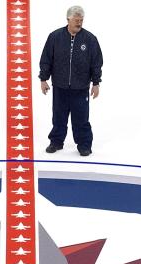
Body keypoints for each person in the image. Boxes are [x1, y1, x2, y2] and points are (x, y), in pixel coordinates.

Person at [39, 5, 103, 157]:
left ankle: (84, 145)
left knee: (81, 119)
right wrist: (43, 79)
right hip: (60, 86)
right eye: (76, 20)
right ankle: (56, 142)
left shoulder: (90, 39)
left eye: (81, 20)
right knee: (58, 116)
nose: (79, 23)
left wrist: (96, 83)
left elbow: (96, 62)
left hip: (80, 88)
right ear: (68, 19)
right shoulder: (55, 37)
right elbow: (46, 59)